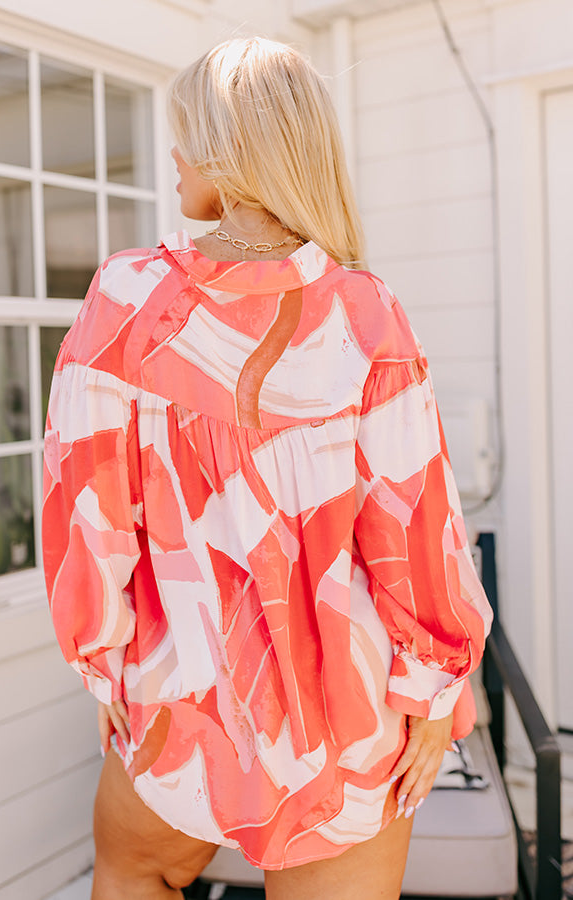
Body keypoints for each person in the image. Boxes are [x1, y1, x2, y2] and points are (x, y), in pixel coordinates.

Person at [42, 36, 493, 900]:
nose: (173, 156)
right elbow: (417, 526)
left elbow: (85, 510)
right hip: (348, 723)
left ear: (230, 152)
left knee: (133, 872)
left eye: (187, 136)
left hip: (181, 699)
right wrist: (435, 694)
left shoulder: (127, 301)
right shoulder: (366, 315)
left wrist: (101, 662)